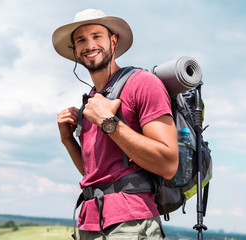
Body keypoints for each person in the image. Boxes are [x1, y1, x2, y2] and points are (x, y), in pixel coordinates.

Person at [52, 9, 179, 239]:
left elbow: (168, 164)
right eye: (81, 40)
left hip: (131, 222)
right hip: (88, 223)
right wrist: (67, 140)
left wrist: (108, 122)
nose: (89, 45)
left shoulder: (142, 83)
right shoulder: (90, 103)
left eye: (96, 36)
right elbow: (95, 175)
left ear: (113, 40)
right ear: (75, 51)